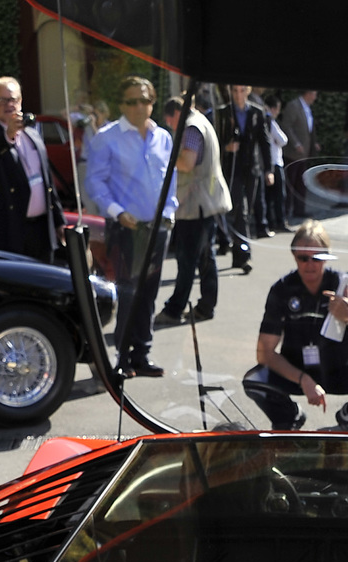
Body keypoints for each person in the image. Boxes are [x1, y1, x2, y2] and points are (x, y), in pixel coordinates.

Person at [242, 222, 348, 429]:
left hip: (339, 368)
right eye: (303, 258)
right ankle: (289, 417)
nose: (310, 264)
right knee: (253, 380)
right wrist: (303, 379)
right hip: (296, 370)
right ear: (294, 256)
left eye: (317, 257)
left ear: (328, 256)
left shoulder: (343, 285)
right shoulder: (282, 289)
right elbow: (264, 353)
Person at [83, 76, 175, 377]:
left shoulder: (163, 137)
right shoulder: (107, 137)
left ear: (153, 103)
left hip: (157, 227)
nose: (140, 106)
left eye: (145, 100)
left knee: (149, 293)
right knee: (127, 293)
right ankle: (121, 356)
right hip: (126, 228)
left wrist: (170, 210)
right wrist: (117, 212)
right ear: (122, 104)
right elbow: (95, 182)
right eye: (133, 101)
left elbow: (169, 181)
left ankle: (141, 353)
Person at [159, 92, 230, 325]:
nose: (170, 127)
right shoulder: (201, 121)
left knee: (187, 259)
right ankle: (206, 306)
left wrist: (165, 156)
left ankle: (174, 309)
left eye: (170, 122)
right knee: (204, 257)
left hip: (196, 203)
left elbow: (187, 163)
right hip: (205, 201)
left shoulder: (190, 128)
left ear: (176, 114)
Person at [0, 77, 66, 263]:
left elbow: (46, 181)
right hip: (12, 230)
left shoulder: (32, 132)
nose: (9, 105)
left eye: (13, 99)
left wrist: (59, 221)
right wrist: (8, 135)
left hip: (43, 228)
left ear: (21, 101)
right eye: (2, 100)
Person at [217, 84, 270, 254]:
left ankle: (230, 242)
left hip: (251, 168)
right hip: (232, 169)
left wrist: (268, 170)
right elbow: (215, 141)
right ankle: (243, 255)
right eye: (235, 91)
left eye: (242, 91)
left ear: (247, 91)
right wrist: (226, 148)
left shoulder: (256, 112)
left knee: (246, 210)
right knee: (241, 210)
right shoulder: (223, 113)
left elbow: (264, 142)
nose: (238, 95)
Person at [279, 89, 317, 216]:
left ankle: (299, 210)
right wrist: (296, 143)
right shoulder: (293, 106)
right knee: (290, 183)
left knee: (301, 183)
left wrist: (313, 144)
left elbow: (308, 129)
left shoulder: (307, 108)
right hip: (293, 154)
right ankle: (285, 211)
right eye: (314, 93)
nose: (315, 97)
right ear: (308, 93)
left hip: (303, 154)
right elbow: (287, 126)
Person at [262, 95, 289, 233]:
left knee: (269, 196)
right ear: (273, 109)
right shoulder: (270, 122)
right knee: (279, 195)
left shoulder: (263, 120)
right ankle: (280, 221)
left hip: (267, 162)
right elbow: (283, 140)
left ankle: (270, 221)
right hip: (276, 163)